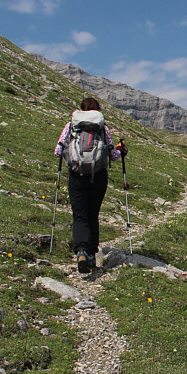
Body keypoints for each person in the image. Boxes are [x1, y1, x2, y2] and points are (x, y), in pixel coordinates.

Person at [54, 97, 127, 273]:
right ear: (97, 110)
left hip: (76, 175)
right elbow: (113, 155)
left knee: (80, 215)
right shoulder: (103, 129)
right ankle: (92, 255)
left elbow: (58, 151)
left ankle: (81, 251)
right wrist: (120, 149)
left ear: (81, 110)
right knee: (93, 214)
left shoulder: (71, 126)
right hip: (98, 176)